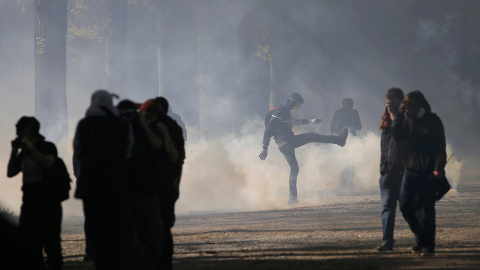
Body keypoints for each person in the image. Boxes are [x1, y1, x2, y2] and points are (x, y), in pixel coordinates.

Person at [73, 90, 134, 270]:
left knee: (93, 219)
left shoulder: (85, 124)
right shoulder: (121, 124)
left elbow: (78, 152)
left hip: (91, 181)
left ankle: (93, 251)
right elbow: (128, 151)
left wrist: (80, 173)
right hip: (117, 181)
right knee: (116, 219)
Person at [259, 92, 349, 204]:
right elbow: (268, 128)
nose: (300, 107)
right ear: (294, 102)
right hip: (286, 142)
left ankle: (292, 199)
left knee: (294, 169)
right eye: (299, 104)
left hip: (283, 144)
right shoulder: (281, 110)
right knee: (312, 136)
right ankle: (339, 141)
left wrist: (310, 121)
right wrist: (265, 147)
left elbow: (294, 122)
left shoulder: (285, 111)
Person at [392, 90, 447, 257]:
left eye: (412, 105)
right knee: (405, 207)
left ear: (421, 105)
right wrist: (400, 116)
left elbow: (440, 147)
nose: (410, 108)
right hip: (410, 171)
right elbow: (397, 136)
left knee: (427, 210)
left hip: (428, 172)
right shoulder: (407, 121)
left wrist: (439, 167)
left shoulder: (433, 121)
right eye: (407, 105)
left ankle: (428, 246)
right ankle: (422, 239)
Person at [7, 116, 64, 270]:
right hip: (29, 205)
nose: (17, 133)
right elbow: (11, 172)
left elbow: (48, 163)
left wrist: (31, 149)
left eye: (19, 129)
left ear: (29, 130)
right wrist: (14, 151)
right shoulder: (23, 152)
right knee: (31, 247)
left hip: (49, 205)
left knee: (52, 247)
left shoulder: (48, 147)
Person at [116, 99, 166, 270]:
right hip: (128, 189)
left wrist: (143, 123)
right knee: (130, 233)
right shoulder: (122, 127)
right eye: (148, 116)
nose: (151, 119)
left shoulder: (151, 128)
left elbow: (157, 145)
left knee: (152, 233)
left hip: (147, 189)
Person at [140, 98, 182, 270]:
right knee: (159, 228)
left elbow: (177, 158)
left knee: (160, 227)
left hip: (160, 185)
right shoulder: (169, 125)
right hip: (157, 185)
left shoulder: (170, 126)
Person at [377, 88, 407, 251]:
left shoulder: (407, 119)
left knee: (408, 208)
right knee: (387, 207)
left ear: (401, 103)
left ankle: (422, 240)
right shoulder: (386, 121)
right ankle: (387, 240)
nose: (389, 108)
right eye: (387, 105)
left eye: (393, 105)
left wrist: (396, 116)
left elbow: (401, 136)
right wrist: (383, 168)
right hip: (387, 172)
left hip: (403, 173)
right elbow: (384, 148)